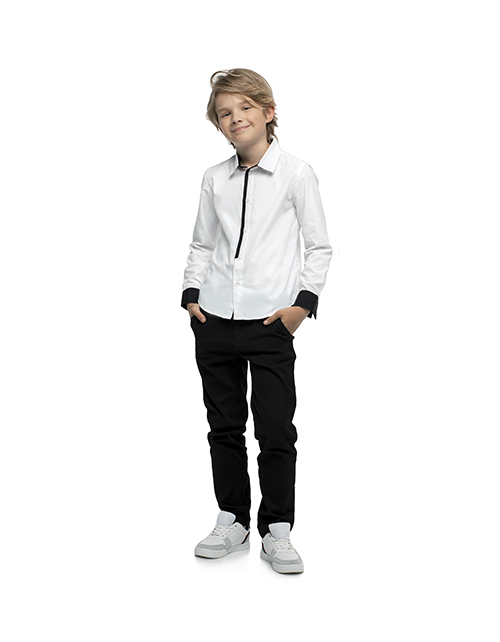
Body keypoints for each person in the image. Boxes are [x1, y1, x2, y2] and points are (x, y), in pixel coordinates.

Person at [181, 68, 332, 574]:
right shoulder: (213, 178)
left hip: (271, 323)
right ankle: (233, 521)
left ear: (268, 113)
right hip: (214, 319)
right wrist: (191, 296)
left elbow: (319, 245)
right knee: (223, 428)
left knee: (276, 430)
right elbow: (202, 243)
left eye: (245, 107)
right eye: (225, 113)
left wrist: (301, 307)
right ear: (218, 125)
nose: (235, 118)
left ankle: (277, 529)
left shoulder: (297, 173)